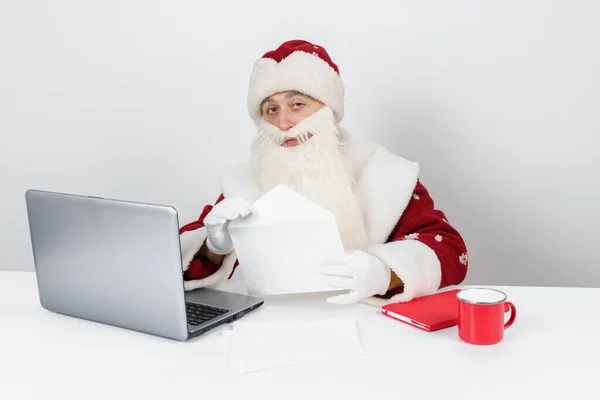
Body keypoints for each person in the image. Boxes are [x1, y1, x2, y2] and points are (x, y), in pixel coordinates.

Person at [179, 39, 468, 307]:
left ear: (327, 109)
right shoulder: (241, 183)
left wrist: (382, 271)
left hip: (367, 324)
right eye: (270, 110)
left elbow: (450, 250)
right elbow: (183, 262)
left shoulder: (386, 172)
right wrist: (214, 247)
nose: (283, 122)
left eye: (297, 105)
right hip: (270, 322)